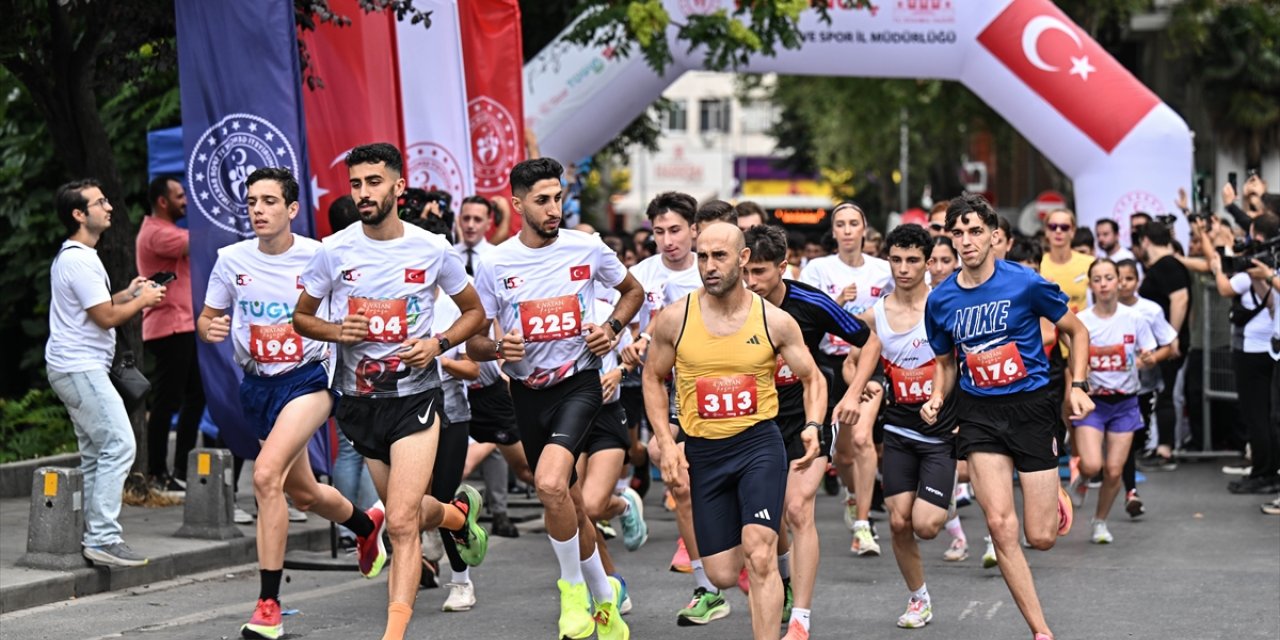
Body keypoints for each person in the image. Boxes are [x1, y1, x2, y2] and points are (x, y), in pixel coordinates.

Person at [293, 143, 489, 640]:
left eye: (374, 182)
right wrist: (339, 332)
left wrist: (437, 343)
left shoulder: (431, 248)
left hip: (415, 401)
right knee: (411, 513)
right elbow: (301, 317)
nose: (363, 193)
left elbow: (474, 313)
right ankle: (456, 513)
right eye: (356, 184)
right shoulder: (333, 250)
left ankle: (393, 633)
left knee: (400, 524)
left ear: (398, 187)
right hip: (359, 404)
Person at [196, 168, 387, 639]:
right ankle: (366, 525)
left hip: (310, 380)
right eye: (252, 202)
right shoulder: (230, 259)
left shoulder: (320, 257)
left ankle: (268, 605)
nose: (258, 210)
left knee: (265, 475)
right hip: (258, 384)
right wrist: (209, 328)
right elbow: (208, 317)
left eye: (268, 201)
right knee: (301, 492)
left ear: (291, 209)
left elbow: (355, 308)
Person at [467, 157, 643, 640]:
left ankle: (572, 593)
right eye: (541, 200)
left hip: (580, 384)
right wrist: (499, 347)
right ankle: (606, 600)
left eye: (557, 198)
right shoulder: (496, 263)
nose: (552, 209)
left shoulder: (586, 247)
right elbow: (474, 340)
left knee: (548, 483)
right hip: (527, 391)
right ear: (517, 203)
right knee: (564, 499)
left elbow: (633, 292)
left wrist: (610, 329)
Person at [644, 222, 827, 640]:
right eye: (702, 256)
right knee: (723, 572)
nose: (709, 266)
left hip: (758, 445)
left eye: (719, 256)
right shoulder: (675, 319)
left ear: (743, 259)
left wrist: (814, 425)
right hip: (705, 450)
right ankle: (765, 568)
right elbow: (654, 379)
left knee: (759, 551)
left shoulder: (774, 321)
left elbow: (813, 378)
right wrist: (668, 443)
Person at [921, 194, 1091, 640]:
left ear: (995, 235)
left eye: (975, 231)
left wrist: (1077, 386)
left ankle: (1055, 499)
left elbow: (1077, 330)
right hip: (978, 413)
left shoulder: (1025, 282)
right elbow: (946, 363)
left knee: (1042, 538)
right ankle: (1041, 630)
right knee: (999, 524)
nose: (966, 240)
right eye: (957, 233)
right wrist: (939, 397)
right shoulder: (940, 300)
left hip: (1031, 408)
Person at [742, 224, 873, 640]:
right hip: (757, 422)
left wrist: (851, 395)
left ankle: (800, 619)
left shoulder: (810, 302)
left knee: (798, 508)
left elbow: (869, 341)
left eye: (760, 273)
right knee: (769, 518)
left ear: (784, 267)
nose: (751, 283)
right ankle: (781, 581)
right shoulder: (733, 304)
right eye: (746, 272)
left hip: (809, 418)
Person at [47, 179, 165, 567]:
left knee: (98, 453)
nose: (109, 206)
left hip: (76, 367)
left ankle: (93, 536)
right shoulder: (80, 259)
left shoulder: (77, 256)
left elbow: (99, 305)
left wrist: (128, 293)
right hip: (80, 368)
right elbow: (104, 318)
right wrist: (143, 302)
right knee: (120, 444)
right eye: (99, 203)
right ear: (79, 215)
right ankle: (102, 537)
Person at [620, 192, 720, 625]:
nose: (667, 240)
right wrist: (626, 344)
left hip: (716, 388)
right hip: (668, 391)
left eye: (675, 230)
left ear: (694, 230)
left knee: (720, 486)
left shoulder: (711, 272)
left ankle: (765, 567)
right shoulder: (639, 276)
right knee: (677, 479)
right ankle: (706, 585)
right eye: (659, 232)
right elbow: (617, 321)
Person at [862, 223, 958, 629]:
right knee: (899, 521)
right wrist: (861, 387)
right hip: (899, 432)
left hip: (939, 434)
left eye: (913, 260)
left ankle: (945, 500)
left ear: (928, 263)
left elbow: (950, 364)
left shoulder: (942, 307)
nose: (904, 269)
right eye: (897, 260)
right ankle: (918, 598)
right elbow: (859, 361)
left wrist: (937, 398)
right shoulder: (876, 314)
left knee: (926, 525)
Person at [800, 201, 892, 556]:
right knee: (843, 454)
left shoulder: (883, 270)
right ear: (834, 231)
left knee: (865, 440)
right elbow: (807, 317)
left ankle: (863, 526)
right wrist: (836, 302)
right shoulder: (817, 269)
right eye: (842, 224)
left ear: (864, 228)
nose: (849, 230)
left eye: (855, 223)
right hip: (828, 363)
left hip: (869, 362)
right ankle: (854, 497)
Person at [1068, 259, 1171, 544]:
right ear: (1090, 285)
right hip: (1094, 403)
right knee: (1091, 464)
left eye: (1108, 278)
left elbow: (1150, 353)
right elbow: (1071, 357)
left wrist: (1147, 359)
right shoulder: (1083, 322)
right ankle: (1084, 479)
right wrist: (1081, 371)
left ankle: (1099, 520)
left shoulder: (1135, 319)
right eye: (1097, 279)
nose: (1103, 284)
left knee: (1114, 470)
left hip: (1126, 402)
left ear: (1118, 282)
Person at [136, 175, 203, 493]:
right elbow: (200, 241)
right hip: (170, 327)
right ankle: (157, 473)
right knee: (166, 401)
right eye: (180, 196)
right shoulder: (157, 233)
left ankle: (179, 470)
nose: (186, 201)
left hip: (182, 325)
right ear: (163, 201)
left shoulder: (167, 230)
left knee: (195, 396)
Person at [1206, 213, 1279, 495]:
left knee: (1259, 415)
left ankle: (1265, 472)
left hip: (1255, 347)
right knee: (1267, 416)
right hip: (1269, 345)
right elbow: (1271, 302)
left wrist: (1218, 268)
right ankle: (1266, 471)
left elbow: (1226, 288)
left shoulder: (1266, 264)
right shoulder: (1260, 263)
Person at [1114, 258, 1176, 518]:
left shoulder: (1149, 310)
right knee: (1125, 439)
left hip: (1145, 385)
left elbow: (1170, 345)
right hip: (1115, 388)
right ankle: (1131, 491)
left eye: (1129, 278)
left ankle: (1116, 469)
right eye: (1119, 278)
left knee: (1137, 438)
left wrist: (1151, 358)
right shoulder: (1103, 309)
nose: (1123, 284)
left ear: (1137, 281)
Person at [1134, 222, 1191, 470]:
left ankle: (1165, 450)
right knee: (1159, 393)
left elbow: (1180, 299)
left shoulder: (1167, 264)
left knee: (1165, 394)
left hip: (1167, 341)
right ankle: (1157, 446)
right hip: (1161, 341)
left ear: (1145, 240)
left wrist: (1172, 336)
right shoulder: (1165, 265)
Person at [455, 195, 496, 276]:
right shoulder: (449, 254)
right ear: (459, 220)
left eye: (477, 220)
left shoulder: (497, 257)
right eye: (466, 218)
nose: (470, 225)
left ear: (488, 224)